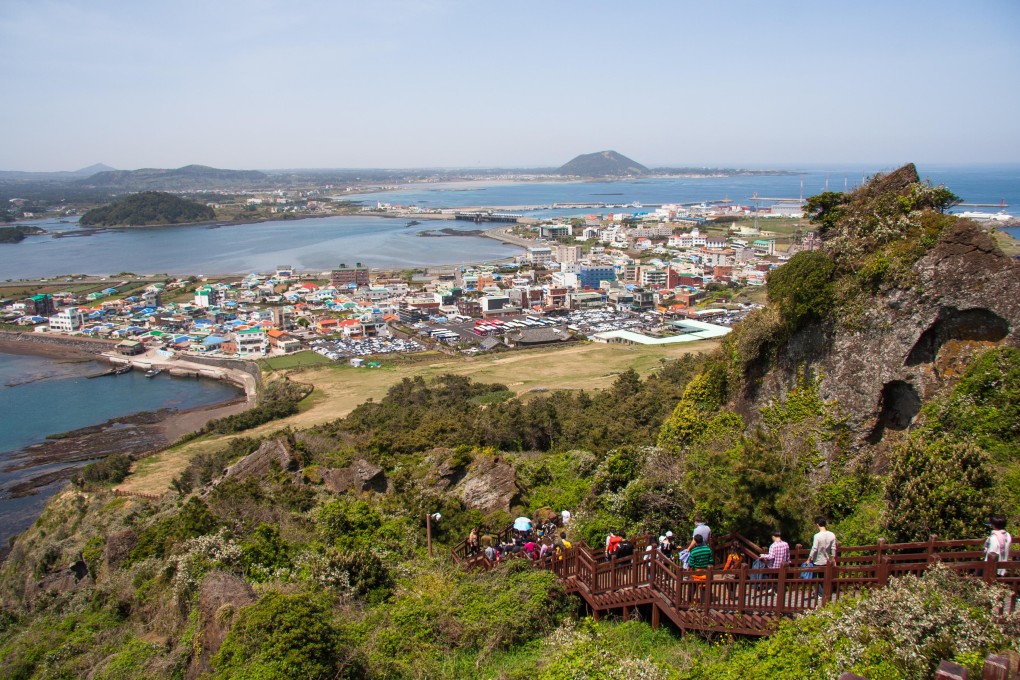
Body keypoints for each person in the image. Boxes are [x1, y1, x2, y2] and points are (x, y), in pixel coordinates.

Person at [807, 517, 837, 597]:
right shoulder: (831, 534)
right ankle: (825, 593)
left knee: (815, 578)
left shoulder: (817, 536)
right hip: (827, 560)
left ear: (817, 525)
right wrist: (833, 558)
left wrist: (809, 558)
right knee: (825, 578)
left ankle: (820, 594)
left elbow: (814, 548)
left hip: (818, 560)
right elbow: (833, 547)